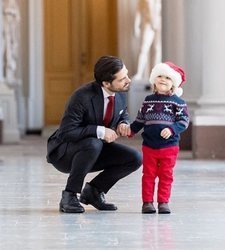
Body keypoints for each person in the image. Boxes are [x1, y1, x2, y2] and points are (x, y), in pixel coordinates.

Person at [46, 55, 142, 213]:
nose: (128, 80)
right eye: (122, 78)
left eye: (127, 74)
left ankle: (94, 191)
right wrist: (101, 131)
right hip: (65, 153)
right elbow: (66, 132)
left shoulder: (120, 92)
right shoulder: (82, 97)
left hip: (94, 150)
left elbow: (122, 112)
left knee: (134, 158)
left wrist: (122, 123)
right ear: (106, 83)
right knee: (93, 143)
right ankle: (69, 195)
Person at [129, 61, 189, 214]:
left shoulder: (178, 103)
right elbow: (140, 119)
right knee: (148, 175)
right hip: (149, 146)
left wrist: (172, 129)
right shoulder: (148, 100)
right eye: (160, 76)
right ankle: (147, 202)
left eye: (168, 78)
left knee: (166, 175)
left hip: (169, 147)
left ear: (174, 85)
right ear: (154, 80)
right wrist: (131, 130)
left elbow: (183, 121)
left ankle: (163, 202)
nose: (163, 79)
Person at [133, 0, 162, 80]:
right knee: (143, 49)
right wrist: (136, 26)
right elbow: (138, 10)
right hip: (148, 23)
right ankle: (139, 73)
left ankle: (156, 73)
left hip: (160, 23)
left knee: (158, 49)